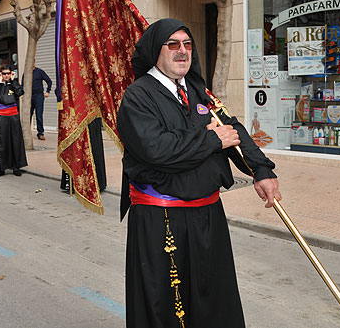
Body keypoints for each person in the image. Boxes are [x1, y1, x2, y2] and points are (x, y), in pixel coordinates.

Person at [117, 18, 281, 328]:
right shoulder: (138, 96)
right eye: (174, 44)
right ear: (156, 51)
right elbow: (158, 149)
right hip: (162, 219)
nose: (183, 51)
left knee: (212, 301)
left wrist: (261, 170)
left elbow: (231, 129)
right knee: (166, 306)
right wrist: (211, 139)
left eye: (188, 45)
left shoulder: (197, 90)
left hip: (208, 215)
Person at [0, 66, 27, 177]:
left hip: (13, 116)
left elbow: (20, 92)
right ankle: (1, 168)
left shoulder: (14, 84)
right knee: (1, 142)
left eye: (8, 73)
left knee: (15, 141)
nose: (6, 76)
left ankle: (16, 167)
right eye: (4, 74)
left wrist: (13, 81)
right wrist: (1, 82)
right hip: (0, 116)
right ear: (0, 74)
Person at [23, 63, 52, 141]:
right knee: (28, 115)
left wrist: (48, 91)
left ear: (34, 63)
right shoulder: (26, 73)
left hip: (39, 95)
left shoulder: (39, 72)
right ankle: (26, 133)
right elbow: (23, 84)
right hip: (29, 96)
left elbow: (49, 81)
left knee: (39, 115)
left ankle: (40, 133)